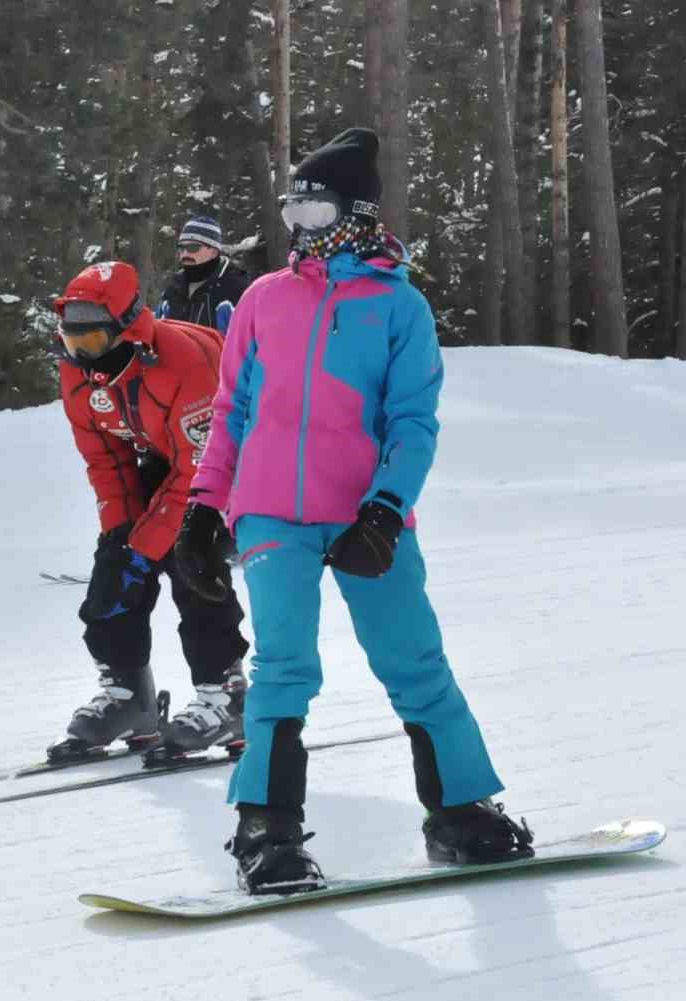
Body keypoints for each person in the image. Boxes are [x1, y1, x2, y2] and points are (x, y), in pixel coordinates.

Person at [173, 128, 533, 895]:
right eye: (291, 209)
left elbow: (412, 424)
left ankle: (462, 812)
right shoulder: (264, 301)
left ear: (355, 213)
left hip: (369, 518)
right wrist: (204, 511)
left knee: (416, 665)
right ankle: (266, 834)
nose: (298, 225)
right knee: (283, 670)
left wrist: (385, 509)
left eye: (312, 208)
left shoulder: (399, 307)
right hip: (271, 513)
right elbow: (233, 412)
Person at [49, 260, 251, 765]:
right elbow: (105, 461)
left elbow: (200, 474)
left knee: (193, 560)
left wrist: (149, 544)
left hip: (238, 452)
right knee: (115, 569)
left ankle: (226, 696)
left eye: (92, 343)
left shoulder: (185, 362)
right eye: (72, 343)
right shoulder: (78, 373)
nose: (82, 357)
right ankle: (128, 697)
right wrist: (123, 537)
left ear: (129, 328)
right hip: (168, 452)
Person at [155, 216, 250, 335]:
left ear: (214, 251)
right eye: (181, 248)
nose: (184, 254)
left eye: (193, 248)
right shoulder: (173, 288)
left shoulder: (237, 289)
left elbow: (250, 343)